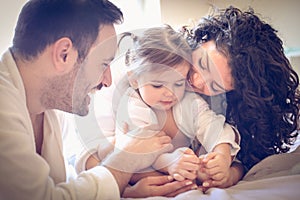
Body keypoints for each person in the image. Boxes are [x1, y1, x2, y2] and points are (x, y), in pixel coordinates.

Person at [0, 0, 179, 199]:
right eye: (103, 64)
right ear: (64, 54)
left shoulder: (50, 108)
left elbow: (65, 179)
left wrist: (124, 188)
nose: (108, 81)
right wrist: (125, 160)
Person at [183, 6, 300, 189]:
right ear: (200, 41)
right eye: (202, 64)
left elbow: (244, 158)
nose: (196, 81)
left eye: (214, 85)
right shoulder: (158, 64)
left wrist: (231, 174)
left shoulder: (222, 113)